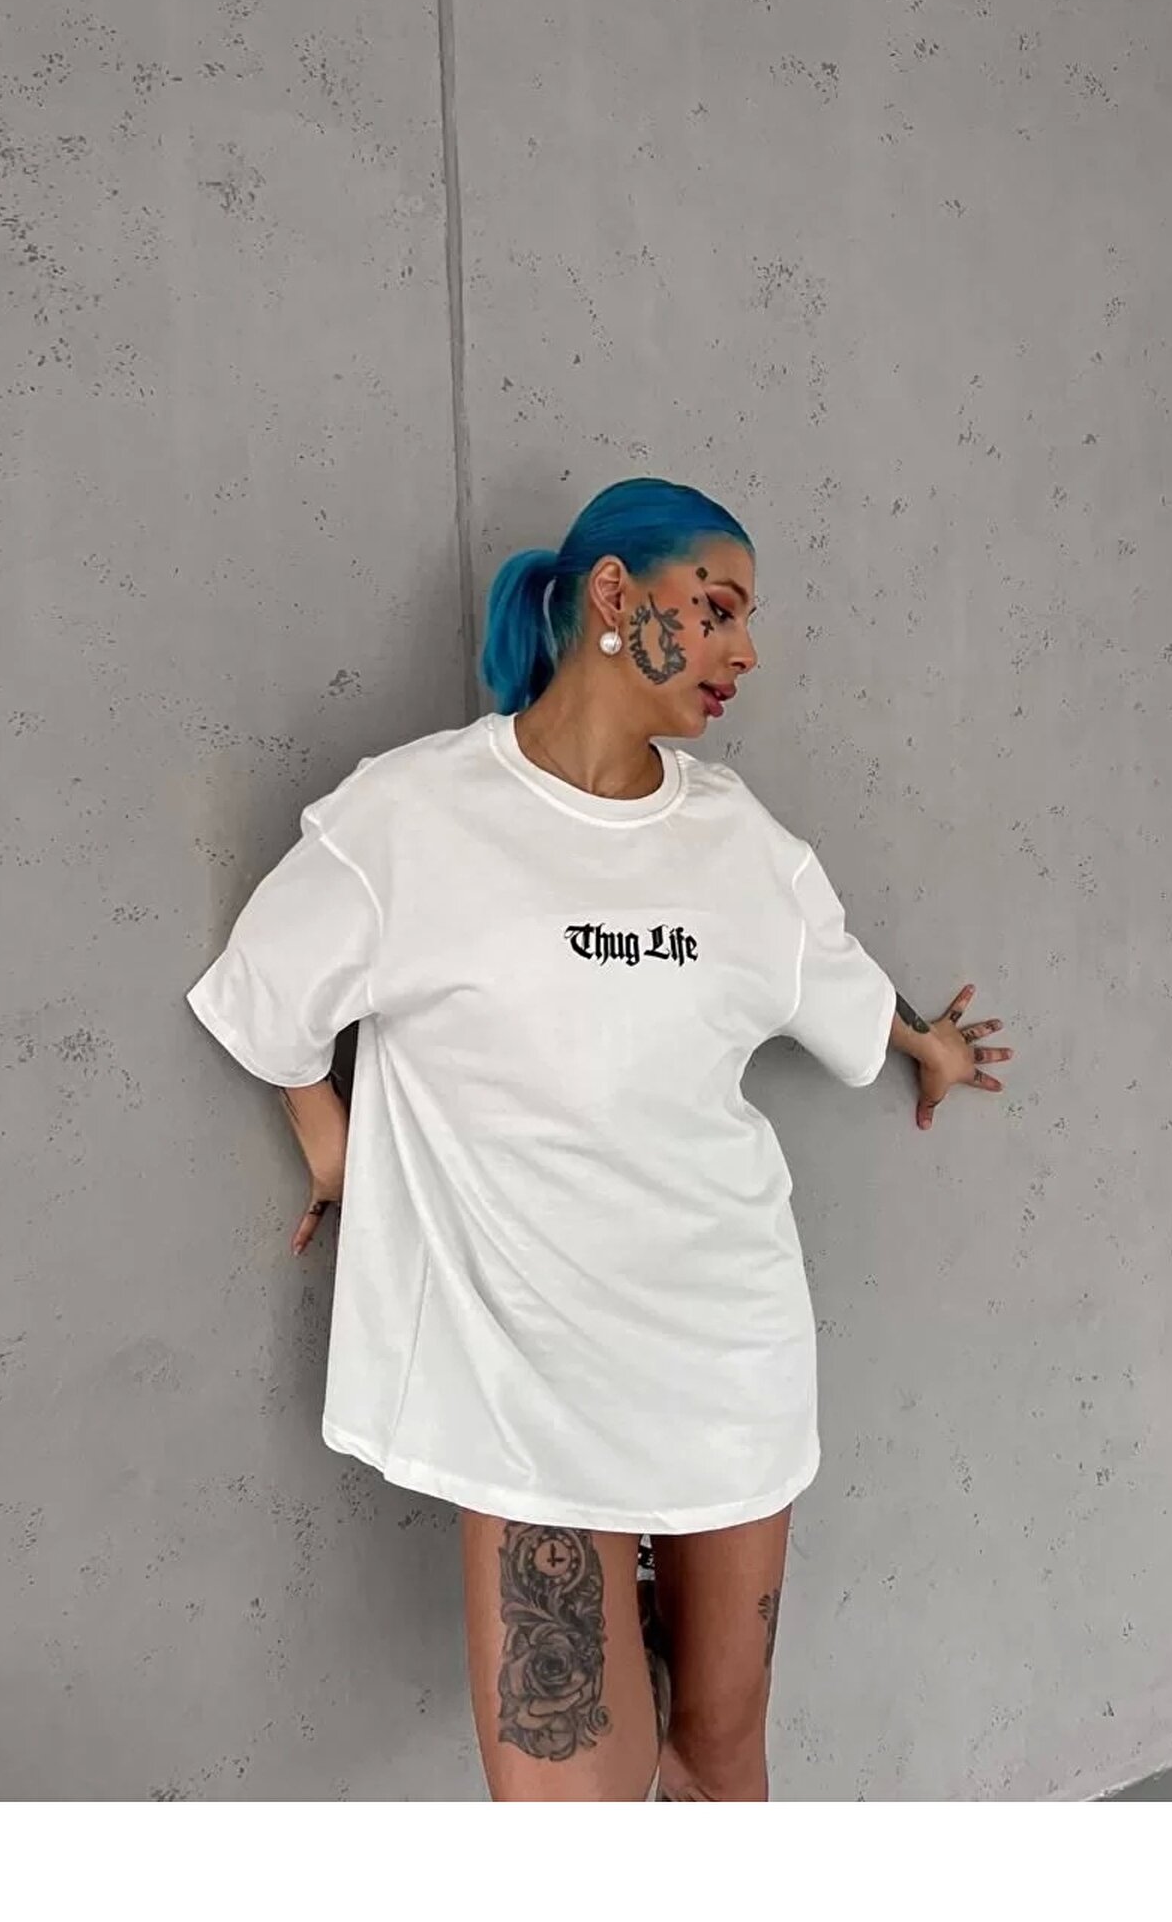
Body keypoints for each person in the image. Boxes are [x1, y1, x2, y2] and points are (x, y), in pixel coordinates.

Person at [185, 476, 1012, 1801]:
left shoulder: (739, 842)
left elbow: (846, 985)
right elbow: (267, 998)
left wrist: (933, 1048)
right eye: (720, 609)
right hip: (525, 1395)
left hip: (729, 1368)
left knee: (722, 1766)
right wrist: (334, 1146)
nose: (748, 651)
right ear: (617, 595)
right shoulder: (413, 817)